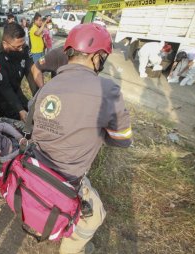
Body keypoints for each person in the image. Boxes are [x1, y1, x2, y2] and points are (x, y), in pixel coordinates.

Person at [31, 23, 132, 254]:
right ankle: (71, 249)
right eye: (103, 57)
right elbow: (122, 139)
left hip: (37, 169)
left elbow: (35, 120)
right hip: (68, 178)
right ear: (97, 56)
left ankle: (43, 226)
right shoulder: (107, 90)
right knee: (94, 217)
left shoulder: (48, 86)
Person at [0, 23, 35, 121]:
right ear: (5, 44)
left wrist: (37, 95)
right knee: (19, 124)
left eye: (22, 44)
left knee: (32, 113)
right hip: (1, 99)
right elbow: (5, 88)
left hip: (16, 91)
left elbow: (30, 73)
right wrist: (20, 110)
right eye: (17, 47)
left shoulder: (24, 49)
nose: (21, 49)